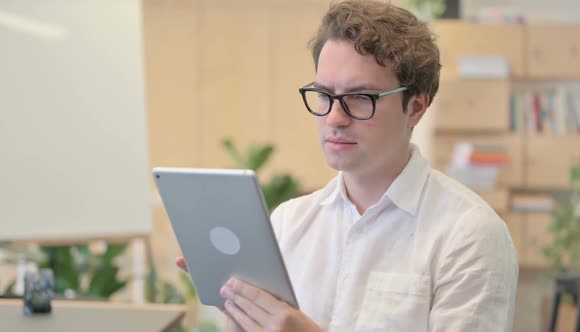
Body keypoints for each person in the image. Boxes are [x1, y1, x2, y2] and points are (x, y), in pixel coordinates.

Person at [177, 0, 518, 331]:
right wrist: (243, 313)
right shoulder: (288, 223)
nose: (334, 118)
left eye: (360, 97)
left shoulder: (470, 234)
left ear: (415, 108)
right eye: (325, 95)